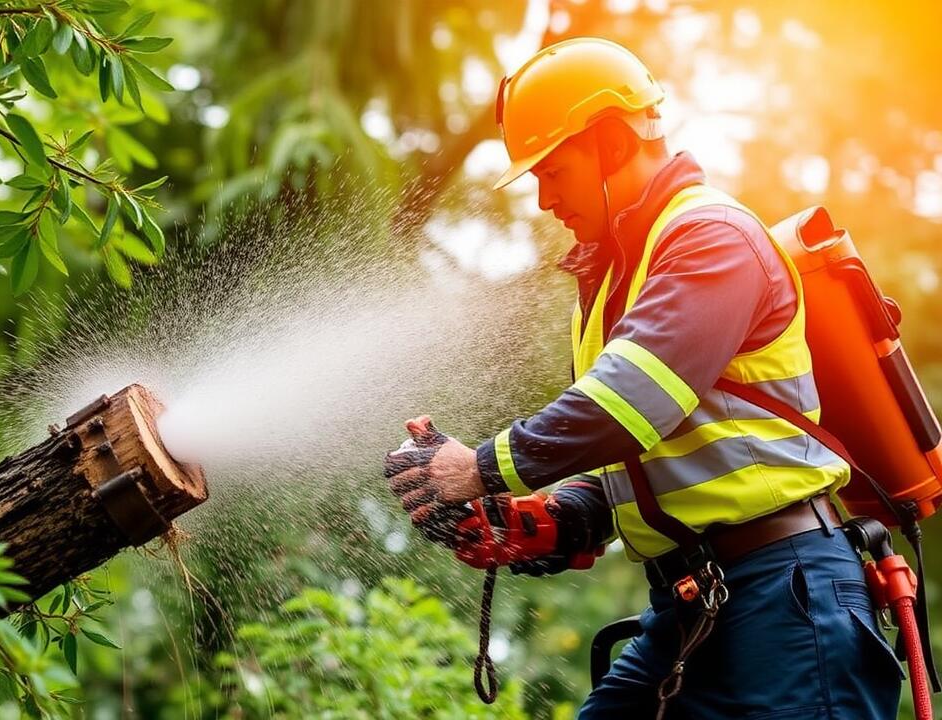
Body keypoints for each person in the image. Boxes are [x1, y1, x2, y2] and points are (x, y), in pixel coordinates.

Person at [384, 37, 902, 718]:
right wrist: (559, 518)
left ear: (612, 144)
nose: (544, 200)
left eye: (553, 171)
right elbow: (645, 453)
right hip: (695, 605)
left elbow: (626, 408)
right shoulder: (614, 279)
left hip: (786, 597)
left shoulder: (711, 237)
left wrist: (477, 467)